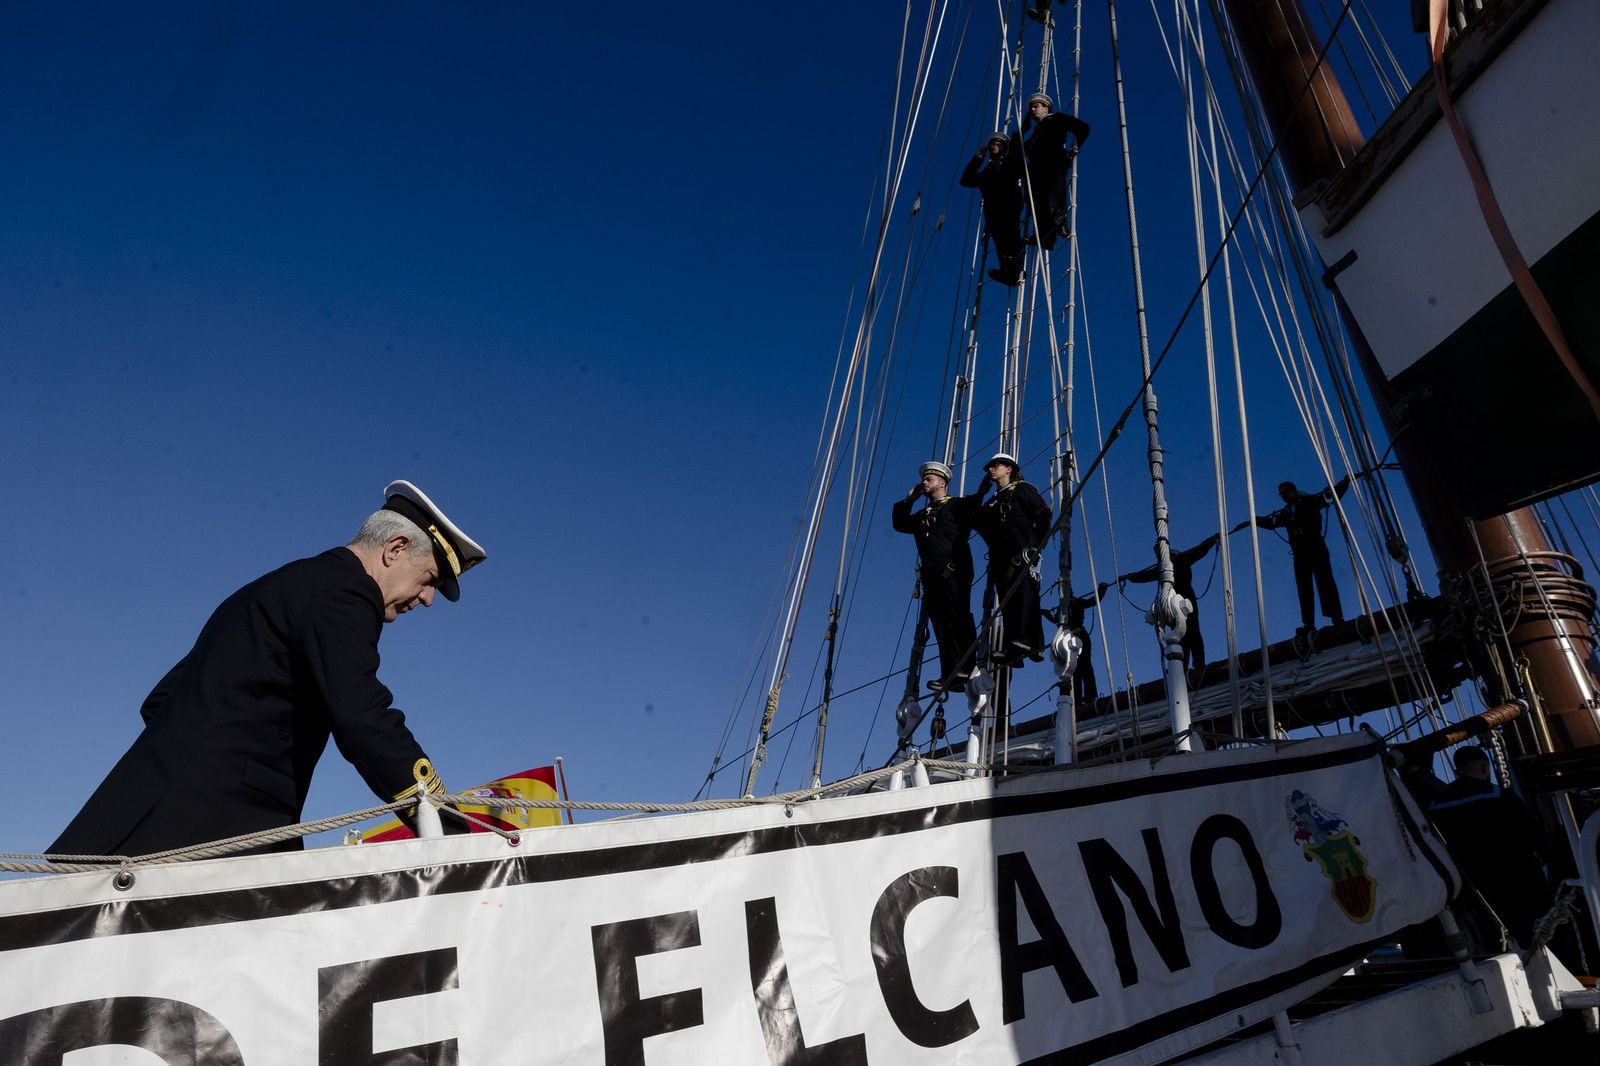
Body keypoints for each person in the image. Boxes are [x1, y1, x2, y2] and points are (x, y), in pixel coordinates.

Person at [49, 480, 487, 859]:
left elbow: (162, 700)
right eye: (429, 579)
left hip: (137, 829)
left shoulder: (283, 587)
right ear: (395, 548)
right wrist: (445, 824)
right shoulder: (346, 593)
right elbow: (362, 714)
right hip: (207, 839)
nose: (427, 599)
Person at [1428, 745, 1552, 948]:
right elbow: (1535, 836)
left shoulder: (1434, 806)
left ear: (1457, 772)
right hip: (1519, 889)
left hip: (1471, 898)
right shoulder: (1500, 796)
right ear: (1485, 767)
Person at [892, 461, 980, 692]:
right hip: (932, 576)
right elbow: (900, 523)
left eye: (929, 479)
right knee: (941, 626)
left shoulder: (958, 506)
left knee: (958, 616)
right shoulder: (923, 515)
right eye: (924, 480)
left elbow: (978, 504)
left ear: (942, 482)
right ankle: (951, 673)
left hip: (954, 570)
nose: (924, 482)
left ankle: (969, 666)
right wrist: (909, 500)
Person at [968, 452, 1053, 666]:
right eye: (990, 466)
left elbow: (1043, 514)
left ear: (1009, 469)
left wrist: (1034, 546)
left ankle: (1030, 643)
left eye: (996, 465)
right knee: (1008, 604)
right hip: (1000, 559)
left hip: (1022, 554)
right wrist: (980, 493)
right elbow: (974, 520)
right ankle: (1014, 649)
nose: (990, 469)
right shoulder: (991, 503)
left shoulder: (1023, 489)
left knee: (1025, 598)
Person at [1120, 533, 1220, 684]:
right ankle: (1183, 666)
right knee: (1180, 635)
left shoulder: (1181, 559)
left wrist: (1212, 539)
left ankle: (1198, 664)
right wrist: (1130, 577)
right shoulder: (1161, 568)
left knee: (1192, 631)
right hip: (1172, 603)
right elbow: (1145, 575)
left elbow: (1200, 550)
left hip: (1185, 600)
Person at [1258, 477, 1350, 632]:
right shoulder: (1285, 513)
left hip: (1316, 547)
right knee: (1304, 587)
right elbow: (1271, 523)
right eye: (1281, 494)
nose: (1284, 496)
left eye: (1286, 492)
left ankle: (1336, 617)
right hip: (1300, 553)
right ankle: (1309, 623)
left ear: (1294, 491)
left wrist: (1345, 482)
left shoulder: (1310, 501)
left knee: (1325, 581)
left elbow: (1332, 497)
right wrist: (1253, 521)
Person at [1019, 93, 1090, 252]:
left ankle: (1059, 222)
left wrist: (1075, 147)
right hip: (1038, 170)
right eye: (1031, 107)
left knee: (1053, 196)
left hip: (1053, 162)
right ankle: (1046, 238)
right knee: (1038, 201)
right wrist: (1023, 129)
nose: (1032, 109)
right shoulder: (1034, 134)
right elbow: (1021, 148)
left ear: (1046, 107)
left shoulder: (1057, 119)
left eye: (1036, 106)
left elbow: (1083, 128)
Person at [960, 131, 1027, 287]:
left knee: (1012, 240)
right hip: (993, 215)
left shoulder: (1010, 164)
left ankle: (1017, 270)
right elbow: (966, 180)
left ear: (1003, 147)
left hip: (1009, 208)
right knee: (1001, 244)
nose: (993, 146)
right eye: (991, 144)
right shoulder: (986, 173)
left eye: (997, 144)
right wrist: (977, 158)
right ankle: (1008, 273)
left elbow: (1025, 171)